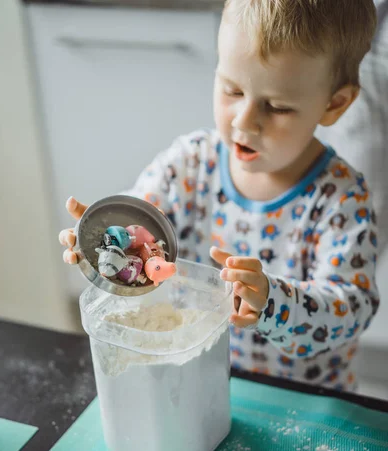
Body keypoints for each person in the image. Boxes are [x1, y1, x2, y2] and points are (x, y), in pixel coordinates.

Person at [59, 0, 380, 392]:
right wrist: (101, 235)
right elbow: (140, 219)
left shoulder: (343, 199)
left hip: (303, 397)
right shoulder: (192, 162)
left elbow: (351, 307)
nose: (245, 121)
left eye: (277, 107)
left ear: (333, 104)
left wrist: (272, 300)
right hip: (200, 374)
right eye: (232, 90)